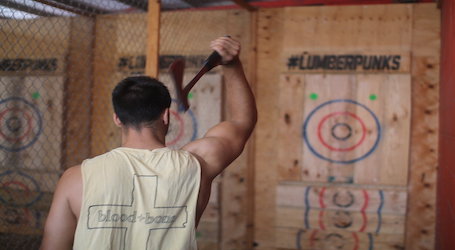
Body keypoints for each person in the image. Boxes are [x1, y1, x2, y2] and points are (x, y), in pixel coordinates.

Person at [40, 36, 257, 250]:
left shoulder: (75, 178)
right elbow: (242, 121)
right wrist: (232, 65)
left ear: (117, 118)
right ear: (166, 116)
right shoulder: (197, 164)